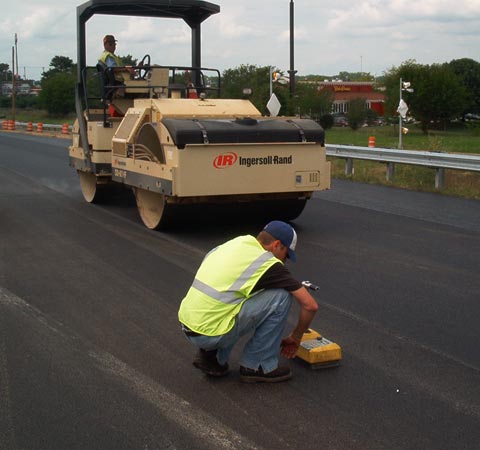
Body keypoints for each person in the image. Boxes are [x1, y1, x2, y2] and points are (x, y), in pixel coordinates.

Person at [178, 220, 318, 383]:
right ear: (277, 245)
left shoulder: (236, 243)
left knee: (234, 298)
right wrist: (296, 336)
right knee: (282, 296)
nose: (284, 261)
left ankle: (212, 357)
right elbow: (310, 305)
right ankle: (258, 365)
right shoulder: (268, 263)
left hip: (188, 323)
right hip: (211, 333)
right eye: (286, 255)